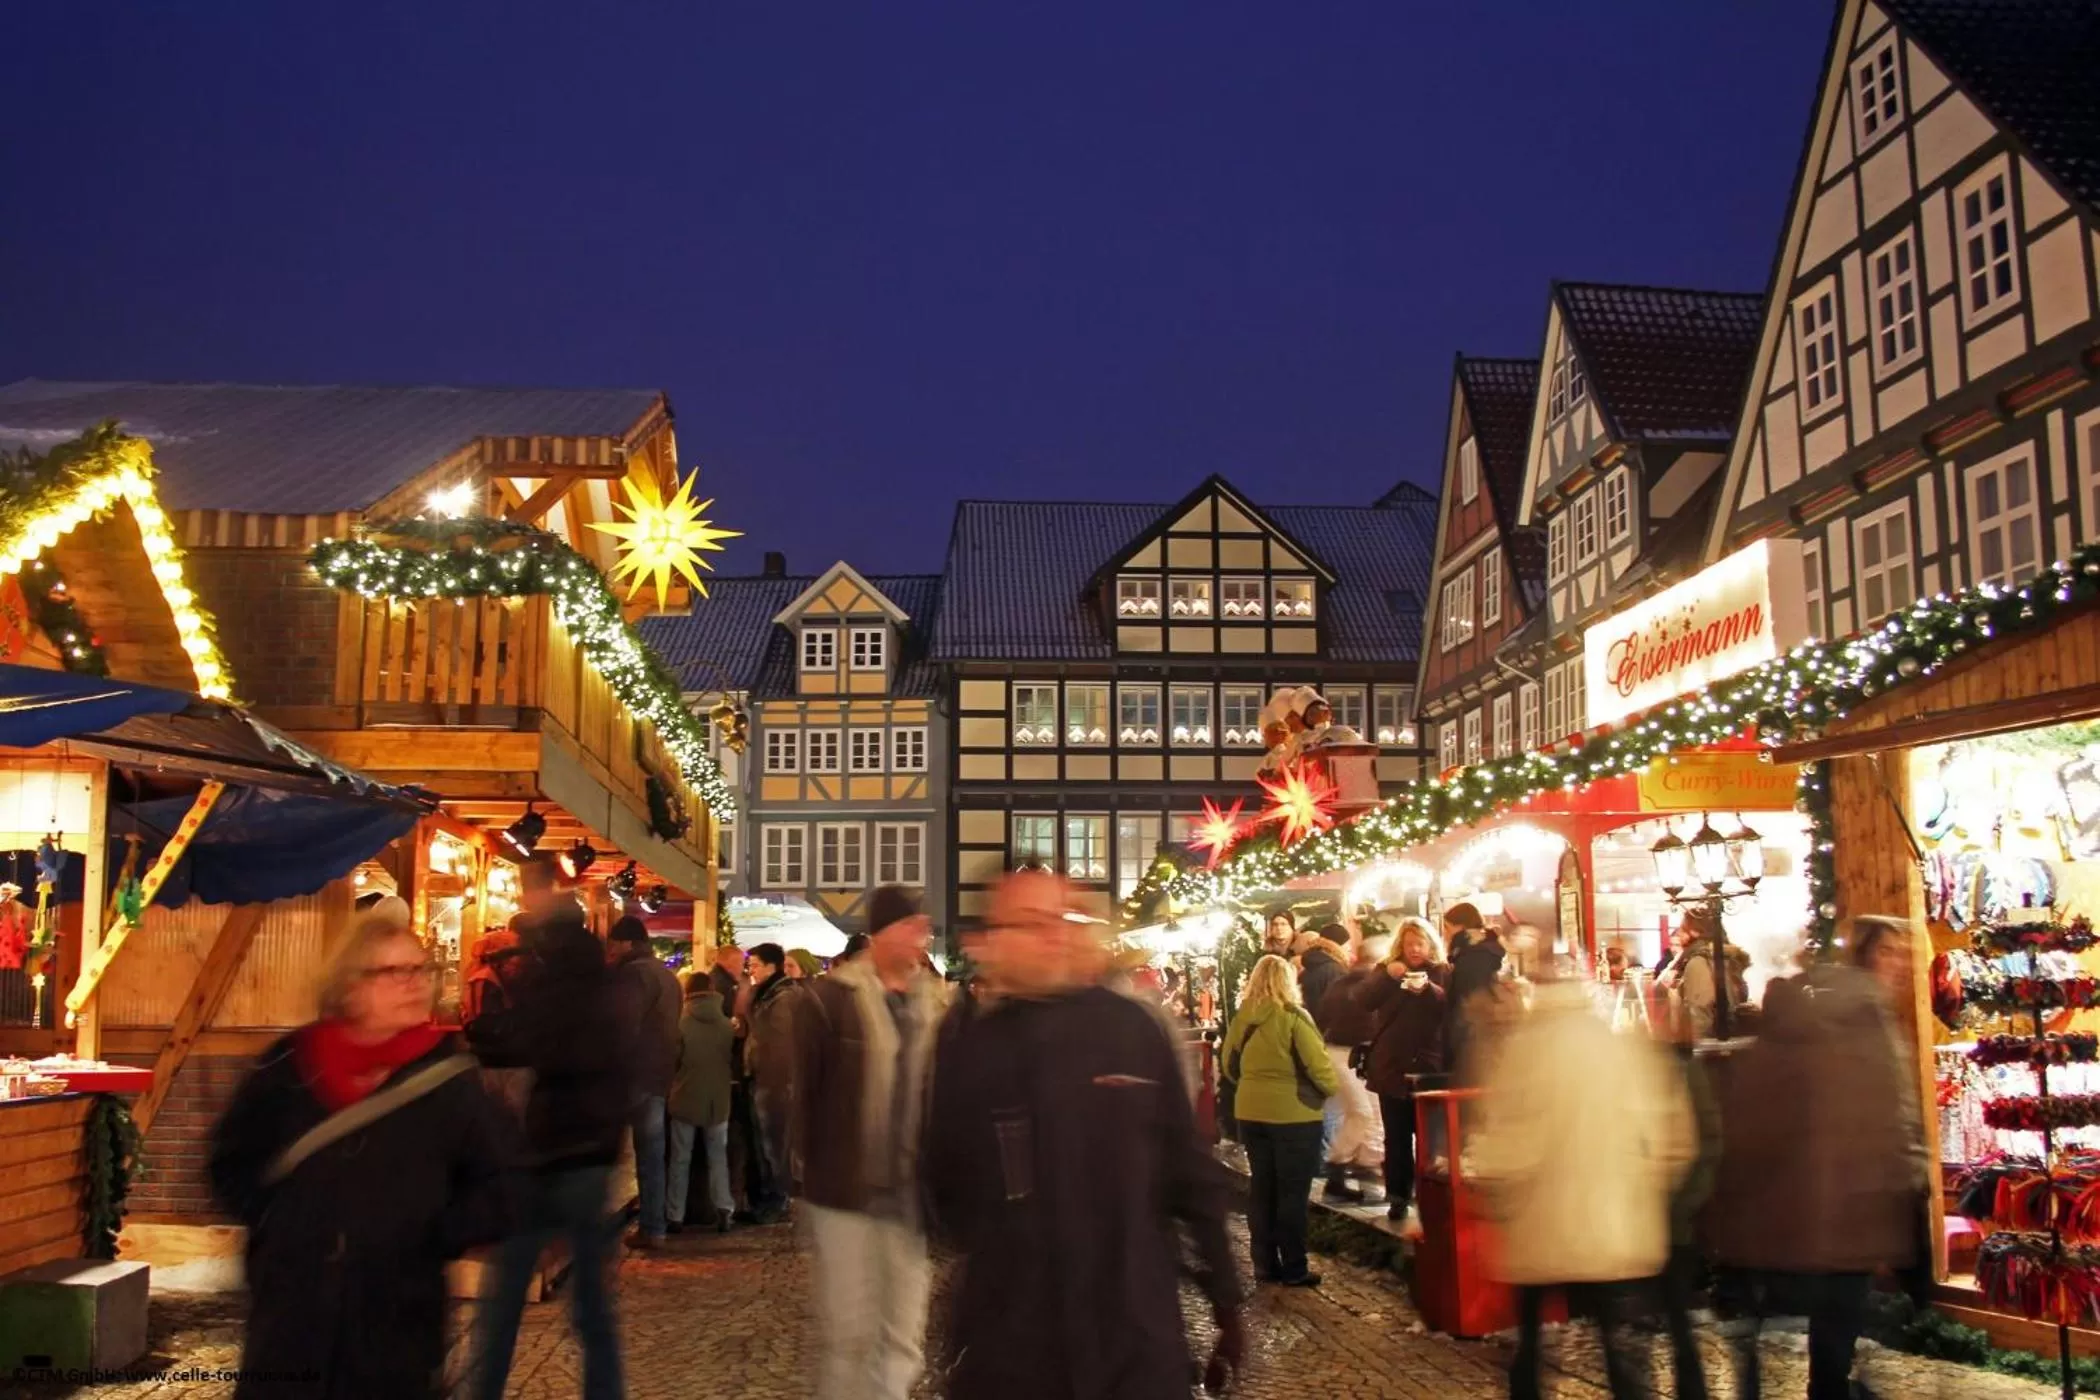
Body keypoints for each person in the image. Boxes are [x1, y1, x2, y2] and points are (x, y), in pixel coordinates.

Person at [924, 869, 1245, 1398]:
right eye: (1032, 923)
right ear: (993, 941)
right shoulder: (971, 1046)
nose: (1054, 935)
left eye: (1062, 919)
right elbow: (945, 1191)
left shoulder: (1131, 1029)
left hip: (1131, 1326)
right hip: (1015, 1342)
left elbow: (1187, 1168)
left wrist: (1226, 1303)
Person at [210, 909, 513, 1400]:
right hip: (291, 1316)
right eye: (393, 971)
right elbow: (231, 1160)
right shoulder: (290, 1065)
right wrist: (281, 1226)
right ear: (350, 986)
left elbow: (502, 1184)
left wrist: (426, 1234)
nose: (415, 983)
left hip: (395, 1321)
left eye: (420, 969)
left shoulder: (450, 1081)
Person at [1475, 954, 1694, 1400]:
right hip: (1615, 1223)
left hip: (1540, 1221)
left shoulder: (1523, 1052)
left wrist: (1499, 1198)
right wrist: (1650, 1188)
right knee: (1622, 1345)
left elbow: (1505, 1137)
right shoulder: (1619, 1048)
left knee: (1532, 1342)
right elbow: (1669, 1132)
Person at [1709, 957, 1920, 1400]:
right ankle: (1828, 1388)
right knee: (1837, 1323)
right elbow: (1877, 1134)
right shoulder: (1845, 1057)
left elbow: (1741, 1139)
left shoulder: (1763, 1058)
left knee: (1758, 1335)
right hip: (1840, 1223)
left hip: (1778, 1228)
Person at [467, 855, 636, 1400]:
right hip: (590, 1150)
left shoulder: (552, 976)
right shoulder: (601, 978)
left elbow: (533, 1040)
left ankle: (483, 1391)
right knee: (590, 1304)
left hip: (549, 1150)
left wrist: (489, 1035)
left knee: (504, 1297)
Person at [790, 886, 949, 1400]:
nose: (921, 935)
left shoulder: (938, 1004)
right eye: (910, 926)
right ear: (881, 933)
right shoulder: (831, 1000)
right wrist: (807, 1166)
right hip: (843, 1194)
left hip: (911, 1197)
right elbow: (799, 1091)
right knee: (851, 1333)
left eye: (922, 926)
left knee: (904, 1334)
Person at [1222, 953, 1341, 1287]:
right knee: (1292, 1193)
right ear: (1288, 980)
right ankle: (1294, 1267)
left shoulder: (1244, 1017)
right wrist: (1328, 1090)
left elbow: (1228, 1065)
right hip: (1294, 1116)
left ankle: (1264, 1263)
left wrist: (1252, 1087)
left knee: (1263, 1188)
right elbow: (1319, 1067)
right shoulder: (1293, 1016)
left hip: (1251, 1114)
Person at [1355, 918, 1447, 1219]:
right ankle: (1398, 1196)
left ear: (1430, 945)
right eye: (1409, 944)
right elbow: (1364, 1000)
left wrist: (1428, 989)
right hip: (1391, 1067)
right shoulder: (1386, 970)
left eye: (1420, 943)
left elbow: (1449, 1007)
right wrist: (1388, 977)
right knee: (1395, 1136)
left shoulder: (1442, 971)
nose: (1415, 949)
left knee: (1431, 1137)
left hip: (1428, 1068)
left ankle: (1432, 1196)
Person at [610, 915, 682, 1249]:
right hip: (659, 1073)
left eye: (614, 943)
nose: (611, 949)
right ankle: (654, 1226)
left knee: (618, 1152)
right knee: (652, 1152)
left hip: (635, 1074)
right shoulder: (666, 975)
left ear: (627, 943)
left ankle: (646, 1225)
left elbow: (623, 1026)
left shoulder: (634, 975)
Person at [1315, 924, 1387, 1204]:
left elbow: (1322, 1016)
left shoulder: (1343, 982)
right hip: (1347, 1054)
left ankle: (1367, 1167)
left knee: (1370, 1113)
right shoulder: (1367, 984)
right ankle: (1339, 1165)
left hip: (1348, 1053)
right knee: (1363, 1112)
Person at [668, 973, 737, 1234]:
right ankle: (724, 1208)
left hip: (685, 1096)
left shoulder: (681, 1024)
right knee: (718, 1157)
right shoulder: (726, 1025)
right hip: (718, 1100)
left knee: (680, 1159)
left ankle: (675, 1214)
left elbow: (674, 1060)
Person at [743, 940, 804, 1216]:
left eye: (755, 965)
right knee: (767, 1143)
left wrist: (772, 1078)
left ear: (771, 967)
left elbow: (781, 1045)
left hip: (775, 1082)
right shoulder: (767, 994)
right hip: (764, 1079)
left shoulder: (783, 998)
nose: (751, 970)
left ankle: (776, 1200)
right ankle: (772, 1197)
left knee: (775, 1144)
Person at [1441, 901, 1502, 1075]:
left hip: (1473, 1041)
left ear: (1460, 927)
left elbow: (1467, 998)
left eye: (1447, 928)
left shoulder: (1472, 956)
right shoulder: (1481, 950)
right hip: (1481, 1038)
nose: (1445, 934)